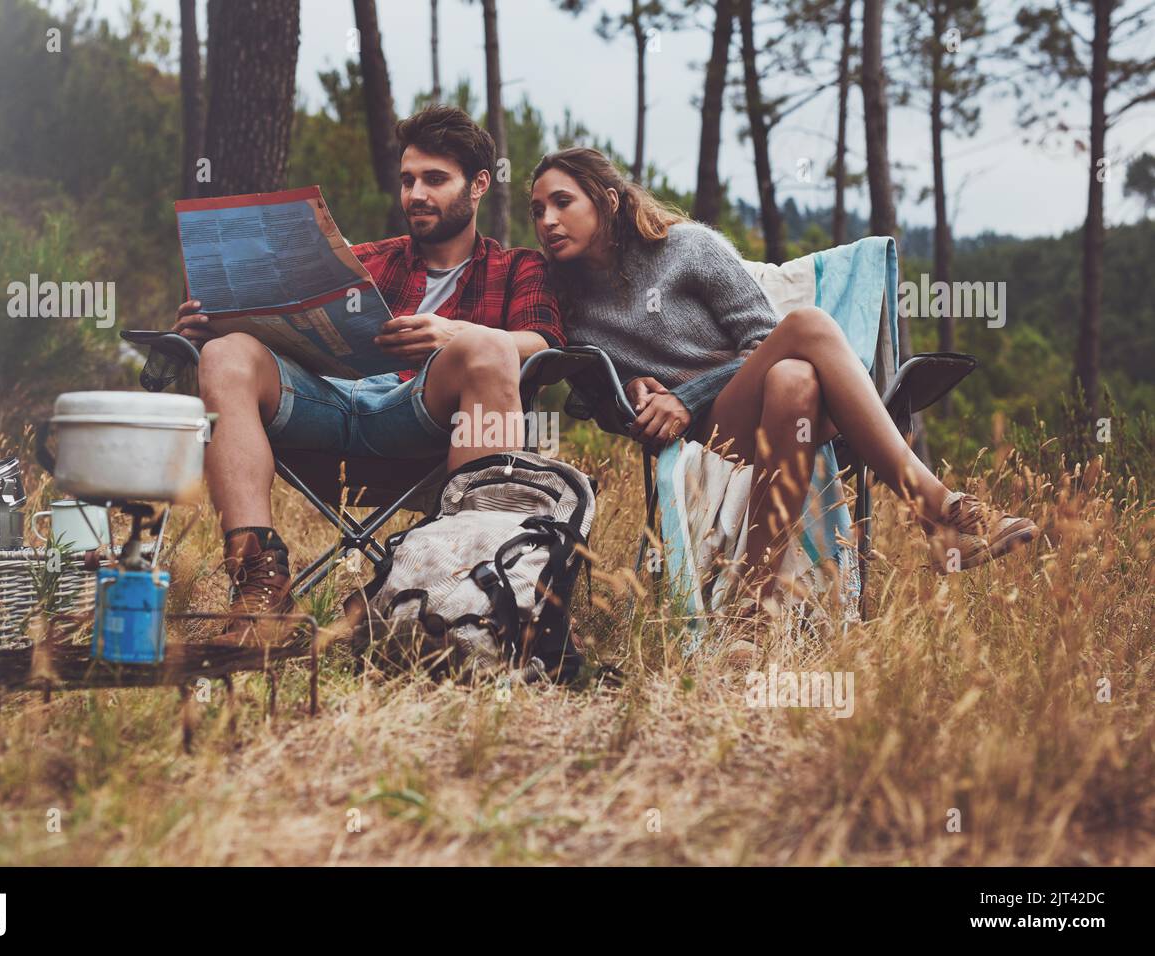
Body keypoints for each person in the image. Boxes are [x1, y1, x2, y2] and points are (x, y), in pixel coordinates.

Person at [528, 146, 1038, 616]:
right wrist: (631, 389)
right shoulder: (563, 300)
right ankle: (935, 512)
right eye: (537, 210)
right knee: (807, 333)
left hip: (747, 406)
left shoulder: (687, 248)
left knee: (796, 369)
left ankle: (754, 606)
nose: (548, 220)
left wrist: (689, 395)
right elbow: (593, 399)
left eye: (562, 202)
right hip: (698, 437)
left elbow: (763, 339)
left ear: (608, 200)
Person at [174, 106, 564, 640]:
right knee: (224, 354)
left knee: (491, 347)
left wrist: (454, 334)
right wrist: (209, 322)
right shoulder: (365, 260)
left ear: (478, 185)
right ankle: (259, 585)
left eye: (434, 179)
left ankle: (463, 582)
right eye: (407, 181)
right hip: (328, 408)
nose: (416, 194)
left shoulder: (518, 267)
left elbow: (544, 344)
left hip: (419, 421)